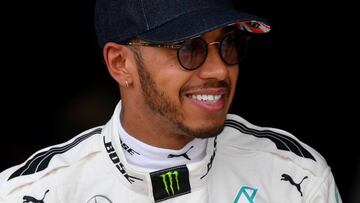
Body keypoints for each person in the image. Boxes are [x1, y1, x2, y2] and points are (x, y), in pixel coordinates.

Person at [0, 0, 342, 202]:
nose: (219, 70)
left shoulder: (295, 177)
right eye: (189, 48)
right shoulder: (34, 193)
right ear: (121, 64)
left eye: (229, 44)